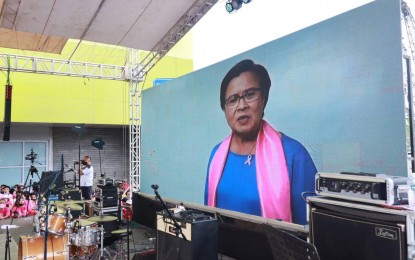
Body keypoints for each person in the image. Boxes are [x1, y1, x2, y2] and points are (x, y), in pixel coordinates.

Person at [204, 59, 317, 225]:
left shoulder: (293, 155)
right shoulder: (216, 155)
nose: (242, 106)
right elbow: (207, 218)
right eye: (233, 99)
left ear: (264, 98)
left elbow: (310, 230)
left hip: (273, 251)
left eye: (250, 95)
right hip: (222, 250)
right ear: (224, 109)